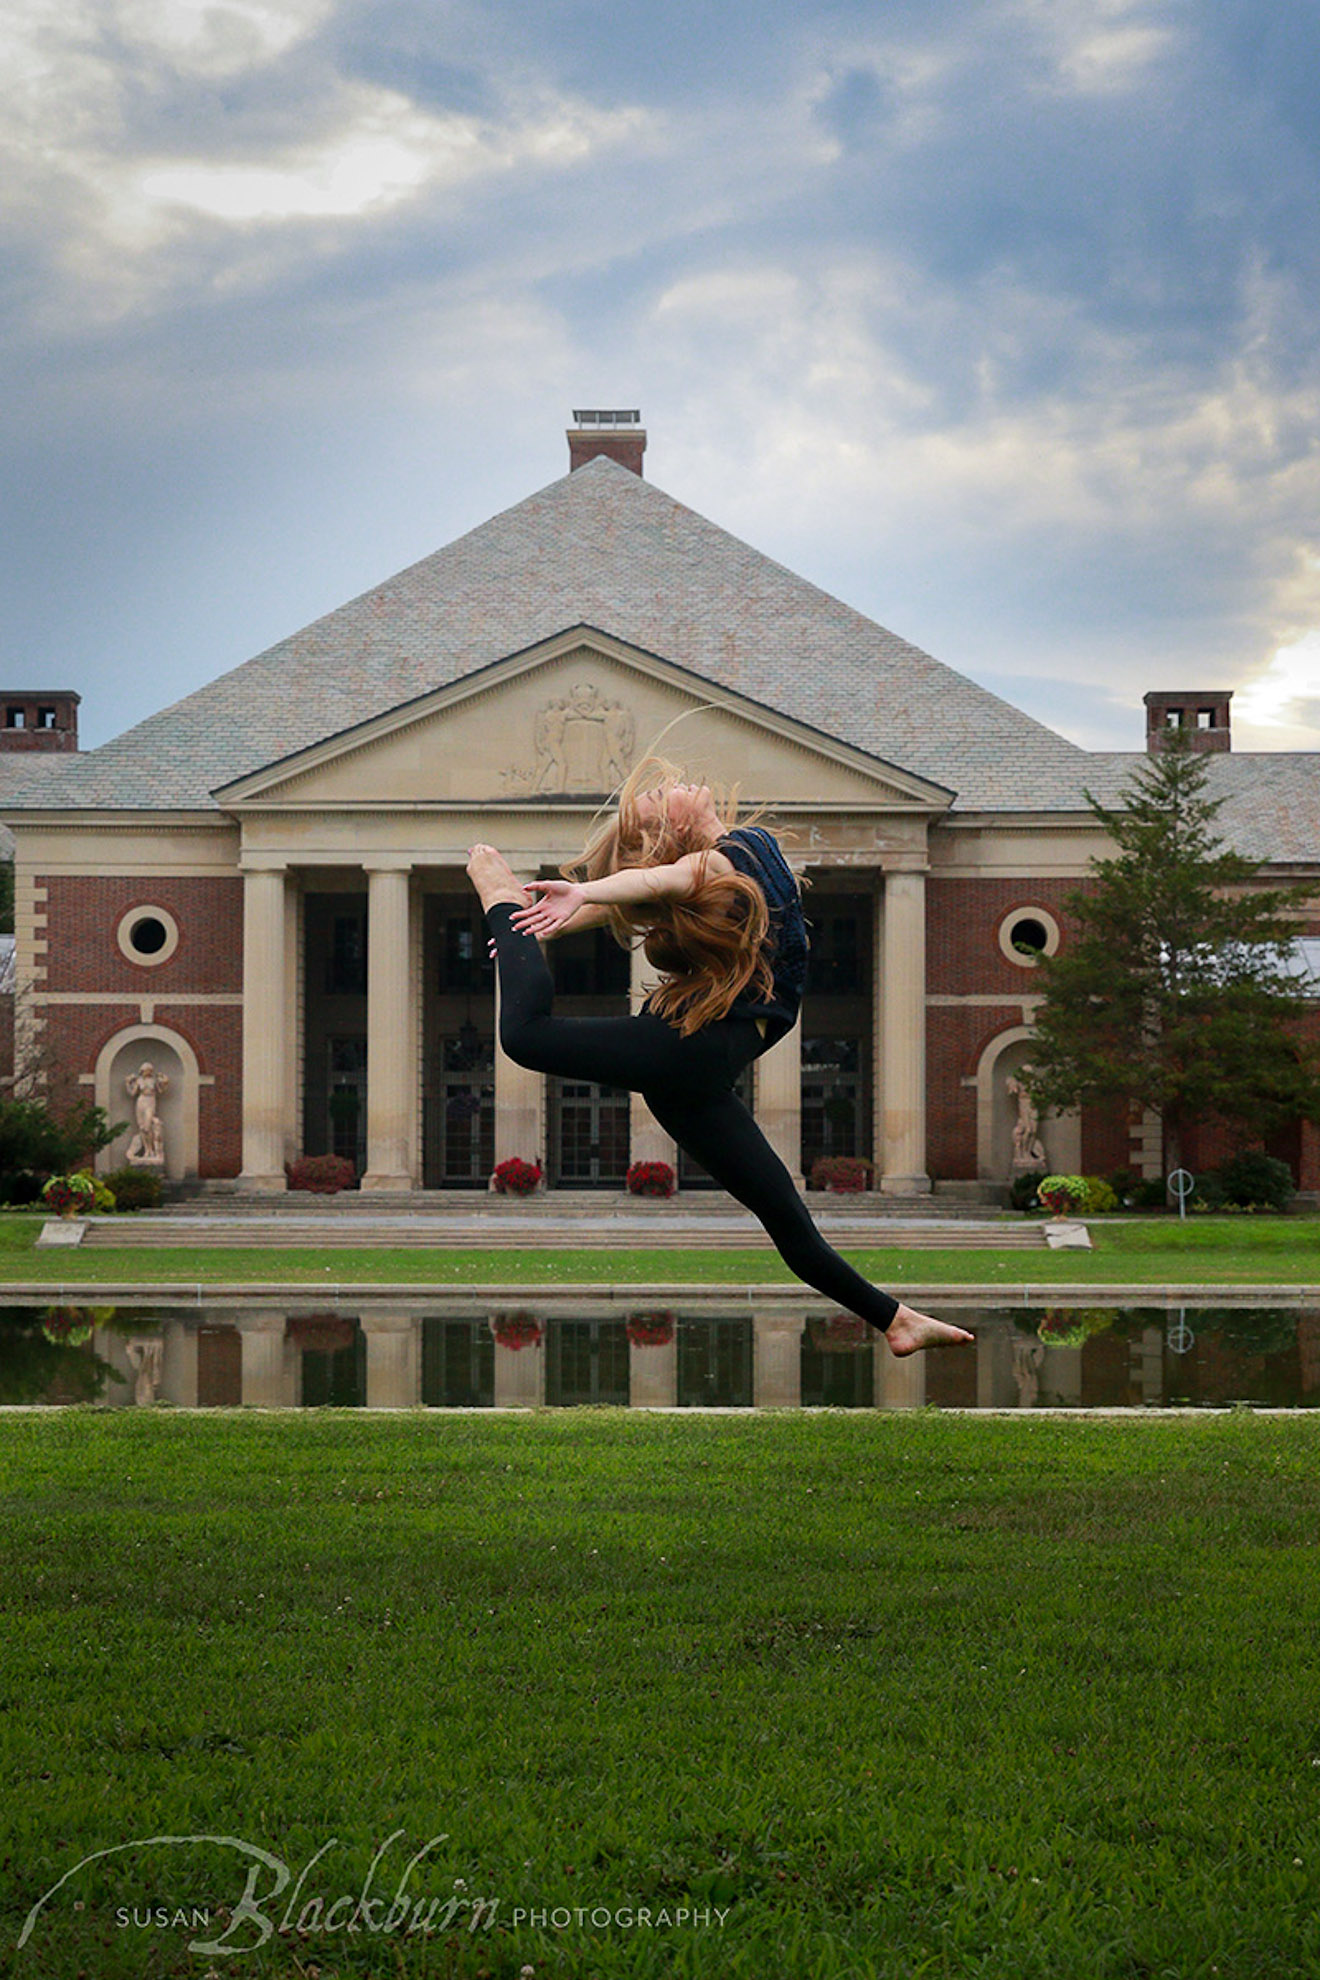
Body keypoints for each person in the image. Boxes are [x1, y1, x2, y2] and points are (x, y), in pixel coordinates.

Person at [466, 755, 974, 1356]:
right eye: (664, 794)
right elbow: (650, 887)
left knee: (784, 1213)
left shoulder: (730, 861)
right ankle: (498, 897)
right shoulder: (715, 860)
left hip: (696, 1067)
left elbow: (651, 890)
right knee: (525, 1037)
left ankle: (895, 1320)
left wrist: (578, 900)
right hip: (689, 1052)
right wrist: (564, 903)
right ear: (676, 831)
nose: (678, 784)